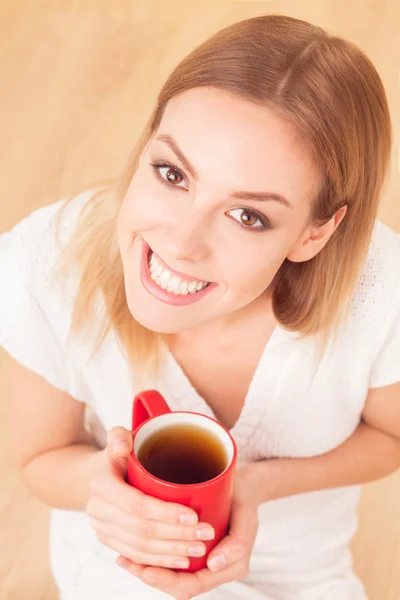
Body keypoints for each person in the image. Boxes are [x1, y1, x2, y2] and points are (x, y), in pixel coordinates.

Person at [1, 12, 400, 600]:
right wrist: (107, 485)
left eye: (248, 216)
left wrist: (258, 485)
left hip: (302, 576)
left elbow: (390, 439)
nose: (180, 245)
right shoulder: (47, 262)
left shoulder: (380, 295)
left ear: (314, 234)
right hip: (121, 564)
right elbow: (41, 460)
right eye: (172, 173)